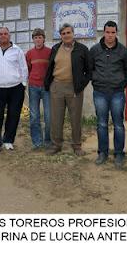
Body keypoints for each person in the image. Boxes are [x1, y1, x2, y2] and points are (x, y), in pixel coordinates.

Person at [89, 21, 127, 169]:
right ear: (103, 33)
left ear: (116, 33)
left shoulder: (123, 51)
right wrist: (96, 82)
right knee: (101, 124)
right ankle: (103, 153)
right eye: (108, 32)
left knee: (118, 125)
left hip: (117, 93)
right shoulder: (94, 50)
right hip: (100, 93)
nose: (110, 36)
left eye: (113, 33)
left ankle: (119, 154)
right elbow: (90, 69)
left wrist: (121, 85)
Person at [44, 23, 91, 156]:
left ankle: (76, 145)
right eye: (63, 33)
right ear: (61, 36)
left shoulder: (82, 49)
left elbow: (89, 70)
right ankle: (56, 145)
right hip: (57, 86)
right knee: (56, 118)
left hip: (74, 88)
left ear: (73, 33)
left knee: (75, 118)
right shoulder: (55, 48)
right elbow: (50, 67)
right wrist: (49, 84)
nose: (66, 35)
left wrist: (81, 85)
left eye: (68, 32)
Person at [0, 27, 28, 155]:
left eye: (5, 34)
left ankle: (8, 140)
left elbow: (23, 67)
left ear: (9, 35)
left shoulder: (17, 50)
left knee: (13, 115)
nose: (3, 36)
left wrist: (23, 84)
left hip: (15, 88)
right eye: (0, 34)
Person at [25, 28, 52, 150]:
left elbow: (52, 69)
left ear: (44, 39)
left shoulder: (50, 52)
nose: (38, 40)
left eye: (40, 37)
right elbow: (28, 69)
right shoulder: (29, 53)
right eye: (35, 38)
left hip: (46, 88)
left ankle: (48, 140)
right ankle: (37, 142)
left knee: (48, 116)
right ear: (33, 40)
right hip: (33, 87)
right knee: (34, 116)